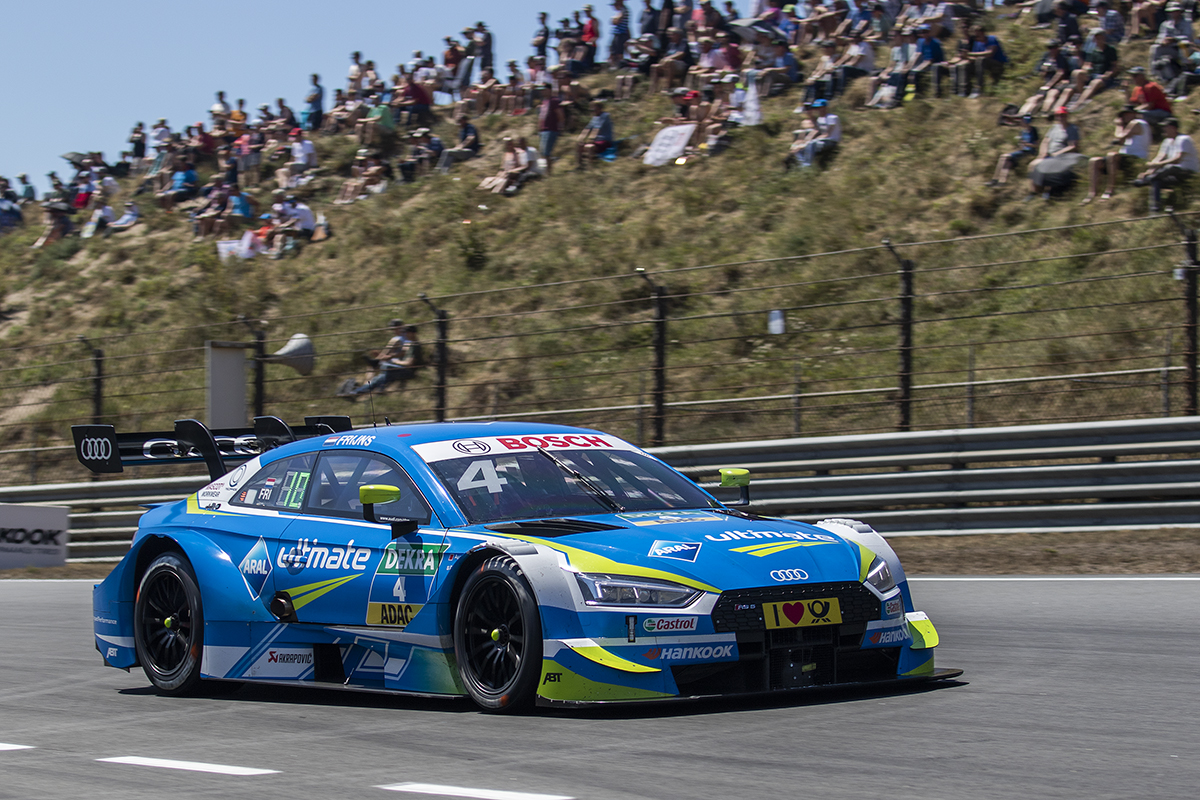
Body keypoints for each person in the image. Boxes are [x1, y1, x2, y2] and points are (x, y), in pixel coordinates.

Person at [1082, 105, 1151, 203]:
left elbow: (1119, 137)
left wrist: (1118, 125)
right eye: (1123, 115)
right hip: (1126, 156)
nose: (1125, 117)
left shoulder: (1136, 123)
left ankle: (1110, 189)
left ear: (1134, 114)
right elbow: (1122, 141)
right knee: (1095, 161)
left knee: (1112, 155)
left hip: (1137, 157)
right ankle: (1092, 193)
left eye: (1128, 114)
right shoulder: (1130, 126)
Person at [1134, 116, 1199, 212]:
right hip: (1172, 173)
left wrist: (1156, 167)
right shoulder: (1167, 141)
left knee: (1171, 168)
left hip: (1187, 172)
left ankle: (1146, 180)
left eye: (1165, 126)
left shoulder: (1184, 139)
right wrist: (1149, 171)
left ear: (1173, 128)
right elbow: (1160, 158)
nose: (1163, 129)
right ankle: (1155, 209)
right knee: (1156, 181)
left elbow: (1177, 159)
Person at [339, 321, 419, 398]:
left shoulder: (414, 346)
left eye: (406, 333)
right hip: (401, 368)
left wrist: (396, 361)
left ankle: (360, 390)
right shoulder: (409, 344)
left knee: (385, 368)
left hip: (407, 371)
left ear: (412, 333)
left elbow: (409, 363)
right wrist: (389, 357)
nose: (405, 334)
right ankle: (359, 392)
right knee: (381, 376)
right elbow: (403, 354)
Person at [1027, 107, 1084, 200]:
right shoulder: (1054, 128)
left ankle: (1048, 191)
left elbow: (1073, 146)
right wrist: (1042, 153)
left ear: (1067, 116)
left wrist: (1058, 153)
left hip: (1064, 156)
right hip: (1050, 154)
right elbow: (1045, 141)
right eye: (1058, 115)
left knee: (1050, 167)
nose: (1060, 117)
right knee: (1032, 165)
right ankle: (1034, 191)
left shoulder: (1072, 129)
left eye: (1063, 115)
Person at [988, 114, 1040, 187]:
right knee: (1007, 162)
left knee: (1003, 157)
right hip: (1022, 151)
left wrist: (1028, 145)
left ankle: (995, 179)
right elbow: (1022, 144)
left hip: (1029, 151)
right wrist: (1021, 145)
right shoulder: (1023, 132)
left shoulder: (1033, 130)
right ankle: (1001, 181)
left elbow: (1037, 145)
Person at [789, 98, 840, 168]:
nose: (817, 110)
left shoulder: (832, 117)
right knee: (800, 147)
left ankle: (807, 165)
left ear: (824, 108)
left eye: (819, 108)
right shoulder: (820, 119)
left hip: (831, 140)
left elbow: (827, 134)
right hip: (822, 140)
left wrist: (809, 141)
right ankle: (801, 165)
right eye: (816, 108)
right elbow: (816, 131)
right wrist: (804, 141)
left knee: (811, 144)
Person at [577, 100, 615, 167]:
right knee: (579, 145)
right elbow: (587, 129)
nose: (592, 112)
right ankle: (580, 165)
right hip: (596, 141)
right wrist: (580, 139)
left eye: (594, 109)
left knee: (589, 147)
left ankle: (590, 166)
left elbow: (597, 129)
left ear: (599, 108)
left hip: (605, 140)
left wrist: (591, 139)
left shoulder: (605, 116)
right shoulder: (594, 118)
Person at [538, 87, 565, 174]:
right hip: (544, 130)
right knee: (543, 152)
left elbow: (560, 114)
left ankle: (548, 172)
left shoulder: (554, 101)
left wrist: (560, 126)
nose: (542, 92)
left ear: (549, 90)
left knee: (546, 152)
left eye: (544, 90)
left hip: (551, 129)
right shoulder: (544, 102)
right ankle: (546, 170)